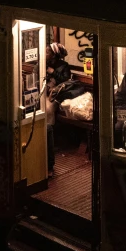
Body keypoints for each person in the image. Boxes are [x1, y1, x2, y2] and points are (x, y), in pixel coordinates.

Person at [43, 43, 71, 177]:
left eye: (47, 52)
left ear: (54, 55)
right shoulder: (43, 62)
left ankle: (50, 133)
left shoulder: (64, 66)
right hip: (43, 93)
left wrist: (53, 72)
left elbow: (66, 80)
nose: (45, 53)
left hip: (56, 96)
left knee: (48, 109)